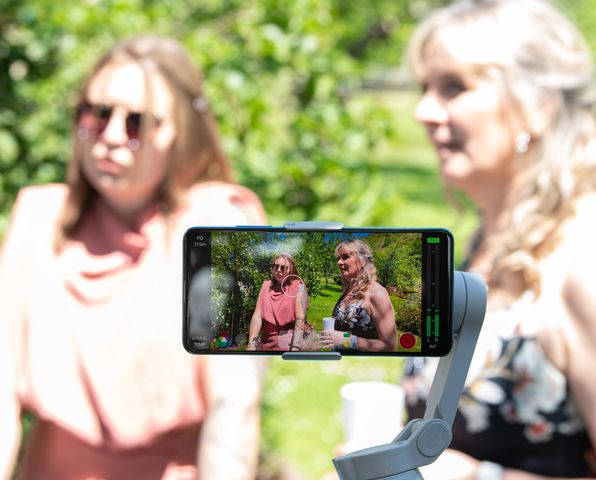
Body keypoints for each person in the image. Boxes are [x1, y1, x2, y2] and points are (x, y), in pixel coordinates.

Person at [0, 35, 268, 480]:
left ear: (180, 132)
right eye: (97, 112)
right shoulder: (38, 217)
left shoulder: (217, 225)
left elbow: (233, 408)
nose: (109, 137)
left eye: (137, 123)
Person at [402, 0, 596, 479]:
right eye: (425, 88)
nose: (423, 111)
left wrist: (474, 477)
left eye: (454, 87)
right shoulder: (486, 239)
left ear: (538, 105)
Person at [321, 239, 397, 351]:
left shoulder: (377, 293)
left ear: (363, 260)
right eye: (338, 258)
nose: (339, 262)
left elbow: (390, 346)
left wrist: (349, 340)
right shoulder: (348, 289)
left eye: (345, 257)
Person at [247, 254, 311, 351]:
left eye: (283, 267)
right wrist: (252, 344)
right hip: (266, 343)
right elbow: (257, 316)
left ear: (290, 270)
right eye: (276, 266)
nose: (278, 270)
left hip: (288, 344)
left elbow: (300, 319)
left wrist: (295, 348)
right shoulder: (266, 286)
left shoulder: (298, 287)